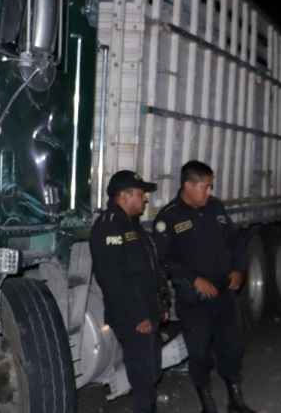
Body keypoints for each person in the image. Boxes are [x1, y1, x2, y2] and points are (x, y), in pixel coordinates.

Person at [152, 160, 256, 413]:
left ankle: (236, 400)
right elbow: (163, 259)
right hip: (195, 298)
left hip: (224, 294)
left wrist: (238, 270)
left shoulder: (216, 208)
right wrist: (193, 278)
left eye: (211, 187)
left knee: (232, 347)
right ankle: (207, 404)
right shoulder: (168, 217)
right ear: (189, 185)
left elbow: (235, 241)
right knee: (199, 353)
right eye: (206, 187)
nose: (210, 193)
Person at [89, 170, 169, 413]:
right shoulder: (110, 227)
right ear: (124, 196)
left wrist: (161, 307)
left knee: (152, 372)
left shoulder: (133, 227)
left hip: (148, 313)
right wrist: (138, 316)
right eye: (141, 193)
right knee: (143, 378)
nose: (145, 198)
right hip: (133, 318)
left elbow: (150, 270)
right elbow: (114, 279)